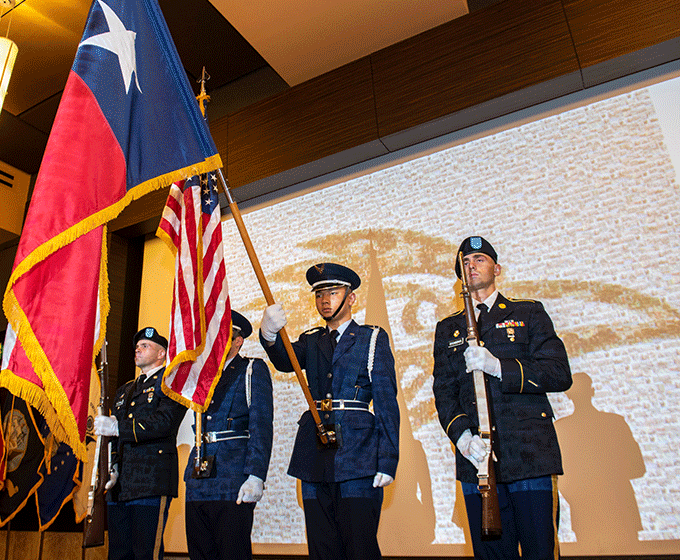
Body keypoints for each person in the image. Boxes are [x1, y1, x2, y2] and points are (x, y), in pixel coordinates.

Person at [432, 236, 572, 560]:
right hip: (476, 462)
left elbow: (558, 372)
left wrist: (499, 367)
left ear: (496, 268)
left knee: (540, 551)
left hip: (529, 454)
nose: (471, 266)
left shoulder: (528, 313)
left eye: (479, 259)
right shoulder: (447, 329)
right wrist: (462, 437)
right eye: (465, 262)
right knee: (492, 555)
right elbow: (444, 391)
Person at [260, 263, 399, 560]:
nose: (325, 299)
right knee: (322, 548)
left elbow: (387, 401)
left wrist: (387, 460)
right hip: (314, 454)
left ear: (351, 298)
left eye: (333, 292)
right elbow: (286, 361)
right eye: (319, 293)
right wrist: (269, 335)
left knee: (359, 546)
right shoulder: (312, 339)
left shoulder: (372, 337)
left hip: (358, 455)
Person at [184, 311, 273, 560]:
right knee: (199, 553)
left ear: (238, 341)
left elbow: (261, 425)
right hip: (198, 476)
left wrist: (256, 475)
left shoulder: (251, 369)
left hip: (232, 476)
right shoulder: (201, 375)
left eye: (224, 336)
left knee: (232, 552)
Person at [94, 327, 187, 560]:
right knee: (118, 554)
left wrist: (119, 427)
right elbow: (114, 437)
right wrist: (112, 466)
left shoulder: (170, 383)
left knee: (146, 553)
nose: (138, 349)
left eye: (145, 346)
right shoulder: (126, 390)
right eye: (137, 346)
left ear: (161, 354)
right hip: (120, 484)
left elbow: (165, 422)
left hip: (150, 482)